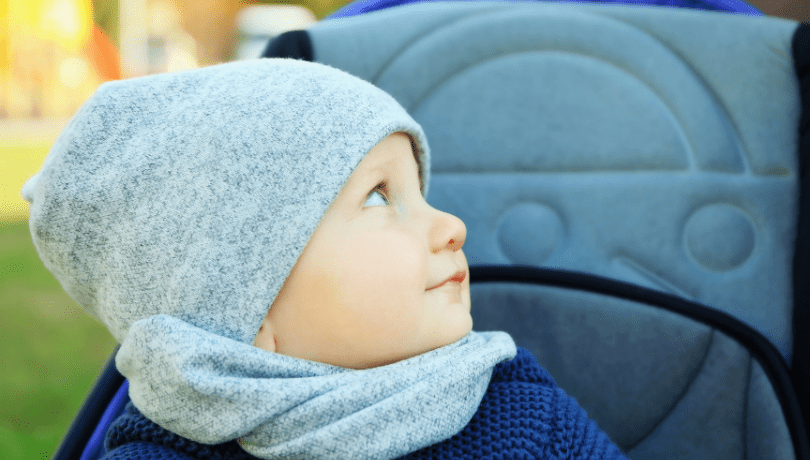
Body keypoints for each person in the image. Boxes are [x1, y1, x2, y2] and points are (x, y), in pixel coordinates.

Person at [23, 59, 627, 459]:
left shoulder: (521, 414)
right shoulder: (159, 449)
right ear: (245, 313)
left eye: (421, 191)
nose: (451, 226)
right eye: (380, 196)